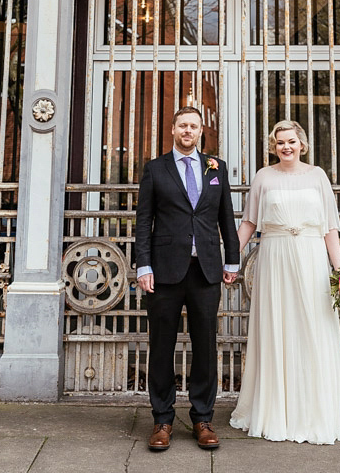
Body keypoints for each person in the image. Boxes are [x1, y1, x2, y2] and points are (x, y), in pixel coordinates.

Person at [230, 119, 340, 444]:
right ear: (274, 146)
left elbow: (329, 227)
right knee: (277, 328)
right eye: (280, 142)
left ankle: (317, 409)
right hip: (275, 258)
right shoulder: (263, 177)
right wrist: (229, 256)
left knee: (314, 328)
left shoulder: (317, 176)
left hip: (312, 259)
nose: (286, 146)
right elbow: (250, 222)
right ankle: (277, 410)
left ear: (302, 144)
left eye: (291, 141)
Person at [135, 106, 241, 452]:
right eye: (182, 125)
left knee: (206, 347)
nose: (187, 131)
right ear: (173, 129)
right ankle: (162, 419)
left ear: (200, 131)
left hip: (206, 269)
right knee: (162, 346)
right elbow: (144, 221)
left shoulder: (216, 168)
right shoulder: (155, 169)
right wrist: (143, 266)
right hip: (164, 271)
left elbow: (227, 216)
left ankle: (202, 419)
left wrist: (232, 260)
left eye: (193, 126)